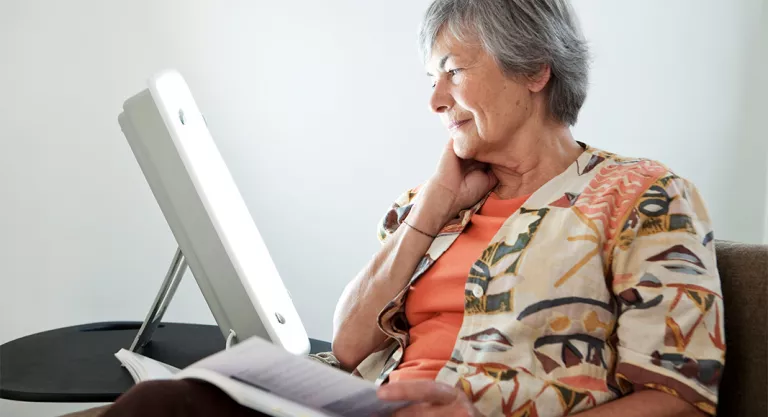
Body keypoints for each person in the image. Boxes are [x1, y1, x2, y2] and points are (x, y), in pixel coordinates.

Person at [94, 0, 725, 416]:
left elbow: (678, 397)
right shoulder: (434, 205)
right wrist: (433, 206)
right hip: (366, 405)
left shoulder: (641, 195)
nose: (435, 101)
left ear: (534, 69)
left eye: (452, 71)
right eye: (431, 79)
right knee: (169, 404)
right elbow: (345, 346)